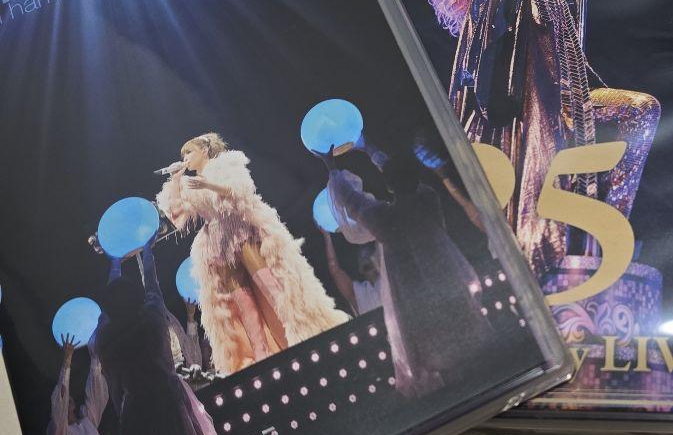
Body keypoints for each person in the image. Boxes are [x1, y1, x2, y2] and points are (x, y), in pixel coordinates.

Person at [428, 0, 659, 276]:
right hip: (540, 107)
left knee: (641, 109)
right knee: (541, 204)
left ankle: (611, 219)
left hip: (574, 96)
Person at [156, 133, 348, 374]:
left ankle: (300, 335)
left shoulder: (226, 164)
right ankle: (262, 357)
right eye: (183, 155)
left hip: (240, 229)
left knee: (270, 287)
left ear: (204, 149)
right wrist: (176, 180)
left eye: (189, 152)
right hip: (217, 244)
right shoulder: (190, 184)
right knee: (243, 304)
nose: (185, 157)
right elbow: (176, 214)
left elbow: (241, 191)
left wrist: (208, 185)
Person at [323, 153, 494, 397]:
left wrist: (331, 167)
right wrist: (373, 152)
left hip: (415, 292)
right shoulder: (428, 200)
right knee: (464, 330)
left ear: (389, 184)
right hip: (446, 276)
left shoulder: (384, 218)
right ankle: (484, 382)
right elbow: (400, 180)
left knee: (436, 344)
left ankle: (460, 389)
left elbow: (351, 200)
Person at [95, 245, 221, 435]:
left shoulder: (107, 340)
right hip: (167, 400)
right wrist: (147, 250)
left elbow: (115, 389)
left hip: (137, 409)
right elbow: (153, 287)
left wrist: (114, 263)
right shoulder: (152, 322)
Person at [47, 334, 109, 435]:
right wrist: (67, 360)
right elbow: (61, 404)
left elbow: (96, 391)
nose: (67, 399)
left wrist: (95, 354)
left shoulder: (88, 422)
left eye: (69, 398)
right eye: (64, 399)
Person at [322, 231, 383, 318]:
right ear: (360, 269)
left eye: (368, 255)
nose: (365, 259)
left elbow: (382, 243)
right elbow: (334, 268)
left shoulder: (390, 279)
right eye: (361, 258)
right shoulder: (357, 293)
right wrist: (326, 235)